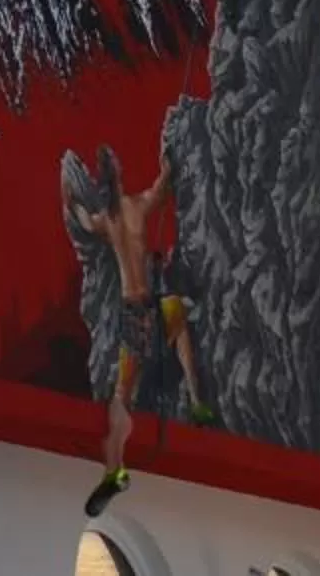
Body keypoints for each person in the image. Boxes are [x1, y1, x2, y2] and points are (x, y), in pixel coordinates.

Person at [64, 142, 218, 516]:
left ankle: (114, 466)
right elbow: (162, 187)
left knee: (121, 400)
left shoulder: (107, 220)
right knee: (178, 314)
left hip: (130, 315)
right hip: (150, 309)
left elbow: (83, 221)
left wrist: (71, 200)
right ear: (118, 175)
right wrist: (167, 162)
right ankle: (198, 402)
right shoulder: (135, 207)